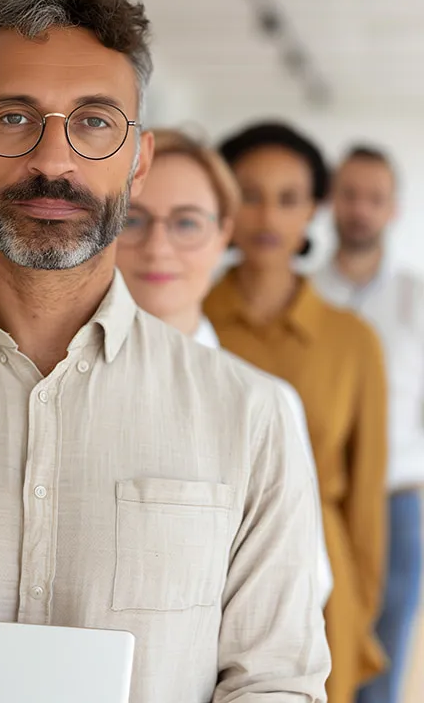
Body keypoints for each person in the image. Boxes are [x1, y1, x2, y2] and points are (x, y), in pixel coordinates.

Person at [0, 0, 330, 703]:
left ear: (139, 162)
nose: (52, 160)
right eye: (13, 117)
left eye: (94, 122)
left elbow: (276, 681)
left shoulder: (249, 415)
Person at [203, 121, 388, 703]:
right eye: (249, 195)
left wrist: (358, 608)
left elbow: (365, 497)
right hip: (201, 566)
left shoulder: (352, 341)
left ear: (314, 210)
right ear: (223, 202)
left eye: (288, 199)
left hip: (321, 572)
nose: (267, 217)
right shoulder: (185, 325)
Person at [116, 127, 333, 606]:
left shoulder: (264, 404)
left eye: (187, 223)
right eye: (132, 220)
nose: (158, 247)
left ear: (224, 234)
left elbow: (298, 590)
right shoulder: (56, 379)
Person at [314, 145, 424, 703]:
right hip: (319, 503)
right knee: (317, 648)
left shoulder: (416, 299)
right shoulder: (303, 293)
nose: (360, 209)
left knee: (385, 652)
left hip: (395, 503)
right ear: (332, 201)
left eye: (374, 198)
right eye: (350, 195)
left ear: (393, 208)